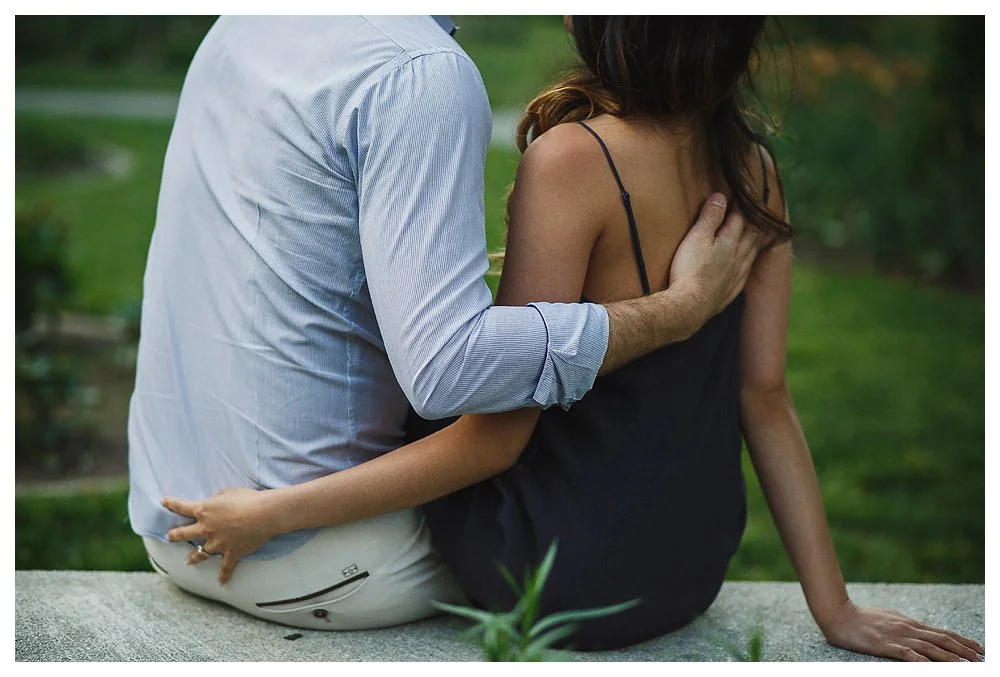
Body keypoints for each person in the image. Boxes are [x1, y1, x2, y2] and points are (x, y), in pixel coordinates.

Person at [160, 16, 984, 661]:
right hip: (685, 567)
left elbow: (490, 443)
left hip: (554, 568)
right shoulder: (755, 168)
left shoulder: (572, 161)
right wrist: (834, 608)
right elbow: (765, 395)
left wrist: (270, 513)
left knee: (430, 369)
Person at [131, 15, 760, 635]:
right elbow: (453, 376)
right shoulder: (417, 70)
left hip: (170, 521)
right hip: (304, 554)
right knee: (558, 499)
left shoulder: (242, 21)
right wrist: (681, 311)